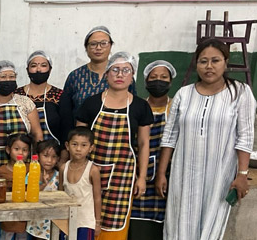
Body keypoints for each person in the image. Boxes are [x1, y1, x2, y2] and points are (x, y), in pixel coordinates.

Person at [155, 38, 256, 239]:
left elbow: (245, 136)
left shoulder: (240, 93)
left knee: (211, 228)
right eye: (203, 61)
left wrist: (242, 174)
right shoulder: (184, 94)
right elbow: (170, 135)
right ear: (197, 64)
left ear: (225, 63)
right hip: (183, 174)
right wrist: (161, 173)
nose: (209, 66)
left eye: (215, 60)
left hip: (219, 176)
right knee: (179, 226)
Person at [75, 52, 152, 239]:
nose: (120, 74)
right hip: (90, 173)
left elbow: (143, 143)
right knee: (86, 221)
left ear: (132, 75)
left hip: (123, 175)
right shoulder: (91, 103)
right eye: (115, 70)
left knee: (114, 226)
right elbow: (78, 141)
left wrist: (141, 177)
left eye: (126, 70)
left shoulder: (140, 106)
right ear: (107, 74)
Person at [128, 60, 177, 240]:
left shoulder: (176, 108)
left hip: (167, 173)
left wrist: (162, 173)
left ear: (171, 82)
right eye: (154, 77)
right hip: (139, 171)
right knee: (137, 223)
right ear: (146, 81)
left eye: (164, 77)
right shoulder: (139, 106)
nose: (159, 81)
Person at [63, 26, 136, 113]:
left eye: (103, 43)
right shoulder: (75, 76)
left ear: (110, 46)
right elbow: (65, 110)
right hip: (80, 126)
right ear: (86, 48)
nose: (98, 48)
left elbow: (134, 106)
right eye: (93, 44)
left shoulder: (124, 75)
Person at [0, 60, 43, 166]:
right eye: (3, 77)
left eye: (11, 77)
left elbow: (37, 134)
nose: (8, 80)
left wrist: (36, 162)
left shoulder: (25, 102)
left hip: (24, 162)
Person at [58, 127, 102, 240]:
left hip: (85, 221)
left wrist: (97, 222)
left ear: (91, 148)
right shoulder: (64, 168)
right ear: (67, 146)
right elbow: (61, 194)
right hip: (66, 220)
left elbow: (97, 198)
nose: (78, 149)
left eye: (83, 145)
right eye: (74, 144)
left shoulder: (92, 170)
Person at [0, 133, 33, 240]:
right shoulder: (2, 171)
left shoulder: (31, 168)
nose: (20, 153)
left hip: (25, 212)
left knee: (22, 236)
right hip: (8, 212)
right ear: (8, 150)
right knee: (6, 236)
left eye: (25, 150)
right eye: (16, 149)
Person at [26, 139, 62, 240]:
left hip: (53, 218)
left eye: (53, 157)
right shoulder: (32, 174)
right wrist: (43, 184)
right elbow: (28, 194)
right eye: (45, 156)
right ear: (37, 156)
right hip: (37, 218)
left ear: (58, 159)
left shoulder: (59, 176)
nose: (49, 160)